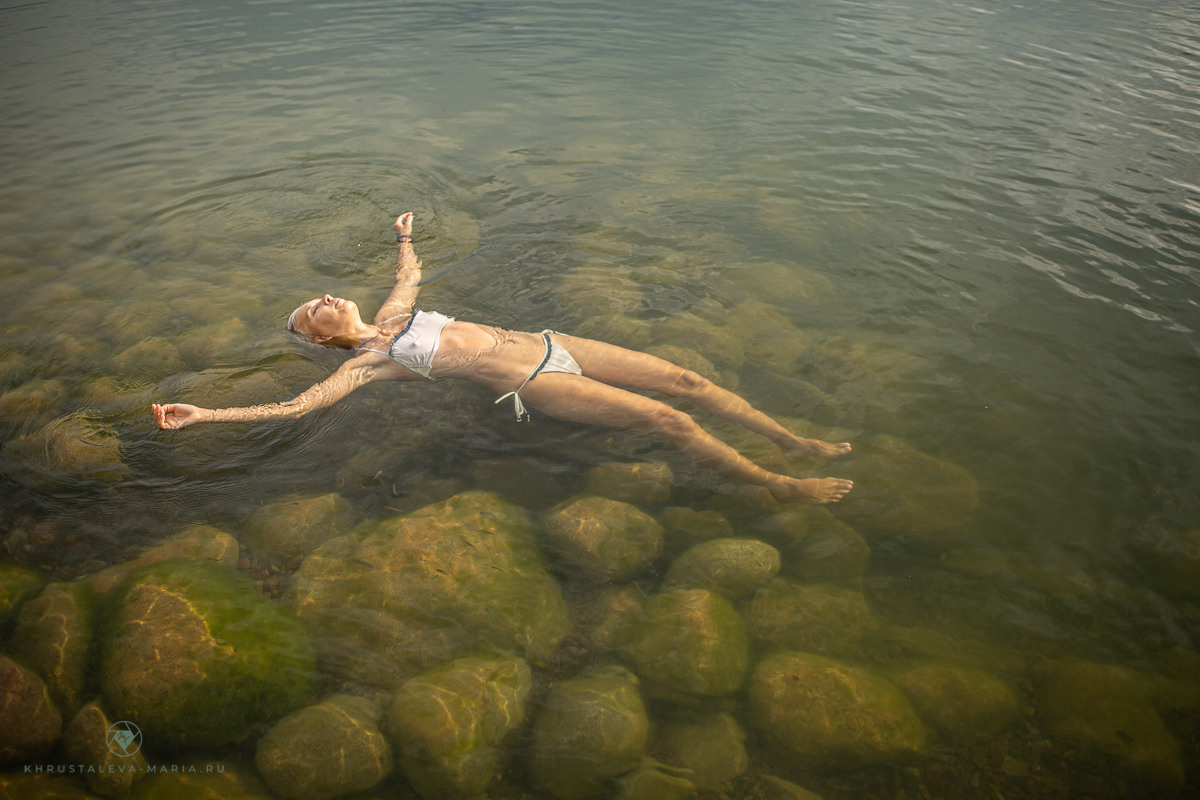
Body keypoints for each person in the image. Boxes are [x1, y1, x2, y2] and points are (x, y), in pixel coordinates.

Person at [152, 213, 854, 504]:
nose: (327, 297)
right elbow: (295, 405)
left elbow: (412, 274)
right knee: (670, 422)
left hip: (553, 342)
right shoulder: (365, 365)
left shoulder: (392, 314)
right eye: (315, 307)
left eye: (324, 294)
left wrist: (401, 236)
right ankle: (776, 484)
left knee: (688, 381)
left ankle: (793, 441)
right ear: (317, 338)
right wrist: (205, 412)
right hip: (538, 381)